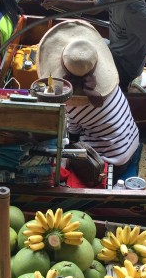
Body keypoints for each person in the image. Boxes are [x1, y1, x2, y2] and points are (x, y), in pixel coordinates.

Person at [37, 20, 139, 177]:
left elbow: (73, 137)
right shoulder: (107, 86)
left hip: (111, 161)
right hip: (131, 143)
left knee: (59, 154)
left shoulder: (72, 106)